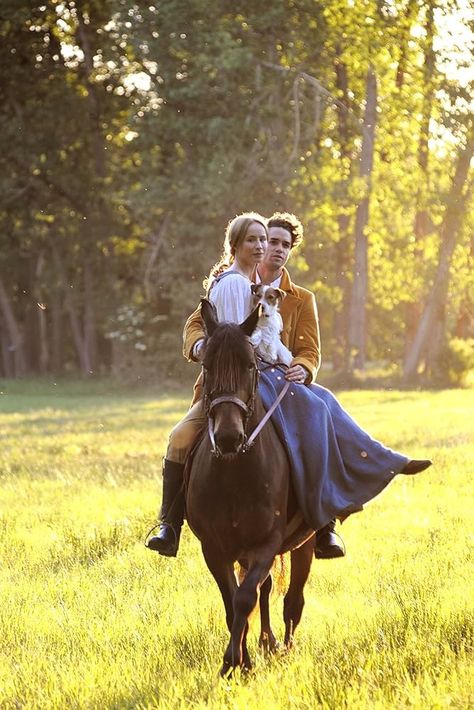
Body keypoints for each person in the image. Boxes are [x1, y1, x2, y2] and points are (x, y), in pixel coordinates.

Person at [146, 212, 431, 558]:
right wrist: (201, 347)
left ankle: (327, 520)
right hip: (234, 383)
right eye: (267, 241)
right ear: (249, 245)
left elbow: (310, 349)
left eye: (281, 244)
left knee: (319, 414)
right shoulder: (233, 282)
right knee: (182, 437)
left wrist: (303, 368)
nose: (273, 249)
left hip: (283, 377)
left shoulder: (300, 297)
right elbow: (197, 322)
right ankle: (170, 522)